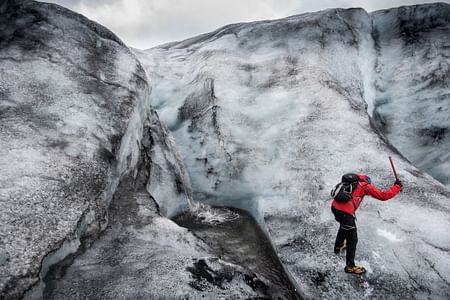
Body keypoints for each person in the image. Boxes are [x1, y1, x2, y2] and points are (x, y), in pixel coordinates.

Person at [331, 174, 402, 275]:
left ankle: (338, 247)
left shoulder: (351, 182)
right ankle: (350, 267)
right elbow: (383, 195)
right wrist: (397, 186)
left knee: (344, 226)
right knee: (352, 240)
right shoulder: (365, 186)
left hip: (335, 208)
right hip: (345, 213)